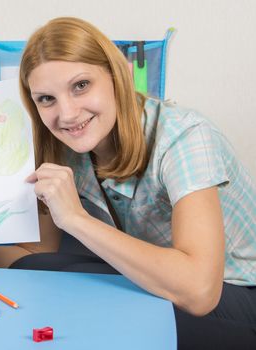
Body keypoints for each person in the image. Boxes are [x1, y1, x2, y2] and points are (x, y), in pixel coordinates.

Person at [13, 17, 256, 349]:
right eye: (46, 99)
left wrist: (76, 219)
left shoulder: (184, 137)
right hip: (162, 279)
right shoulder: (68, 145)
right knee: (39, 271)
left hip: (237, 293)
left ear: (120, 77)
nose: (67, 114)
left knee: (110, 313)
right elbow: (38, 253)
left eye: (81, 85)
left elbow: (200, 292)